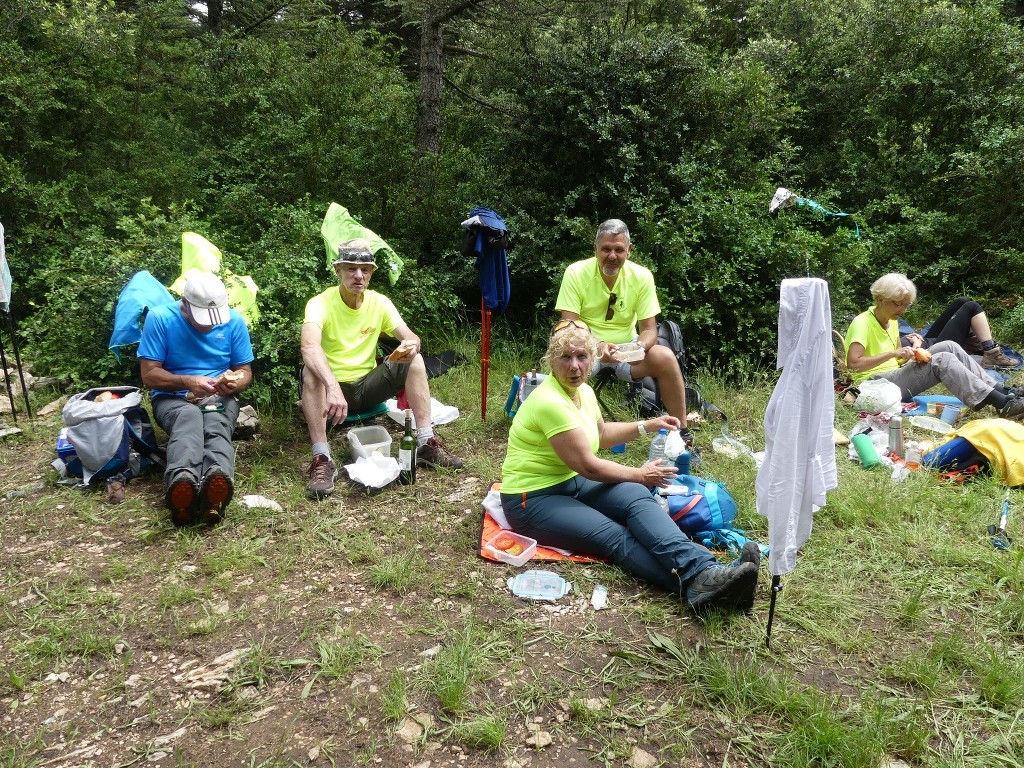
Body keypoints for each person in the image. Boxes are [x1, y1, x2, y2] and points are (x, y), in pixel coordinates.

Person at [499, 319, 759, 612]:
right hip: (532, 499)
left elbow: (600, 434)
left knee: (635, 498)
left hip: (570, 481)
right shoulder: (549, 402)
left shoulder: (583, 392)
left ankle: (703, 569)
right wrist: (639, 474)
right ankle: (698, 588)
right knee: (614, 535)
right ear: (551, 360)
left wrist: (647, 425)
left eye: (582, 357)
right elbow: (590, 466)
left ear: (592, 360)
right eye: (565, 357)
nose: (574, 366)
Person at [300, 239, 463, 498]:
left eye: (365, 269)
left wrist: (410, 345)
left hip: (368, 386)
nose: (358, 275)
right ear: (338, 271)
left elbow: (411, 337)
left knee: (416, 359)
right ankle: (321, 458)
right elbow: (309, 346)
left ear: (371, 273)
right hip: (332, 394)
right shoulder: (321, 303)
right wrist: (332, 386)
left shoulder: (379, 302)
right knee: (310, 371)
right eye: (351, 268)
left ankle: (424, 443)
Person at [555, 219, 691, 438]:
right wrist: (597, 347)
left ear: (629, 250)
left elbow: (649, 330)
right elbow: (568, 326)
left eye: (619, 250)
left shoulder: (642, 276)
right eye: (606, 249)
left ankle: (682, 432)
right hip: (585, 348)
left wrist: (638, 347)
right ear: (595, 249)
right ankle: (566, 432)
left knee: (665, 356)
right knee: (567, 361)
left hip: (627, 349)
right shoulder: (575, 272)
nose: (612, 256)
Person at [139, 272, 254, 525]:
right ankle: (183, 484)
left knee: (214, 420)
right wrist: (186, 381)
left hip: (218, 397)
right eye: (202, 319)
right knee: (188, 416)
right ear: (185, 304)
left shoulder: (234, 322)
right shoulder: (160, 319)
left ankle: (216, 484)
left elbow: (245, 372)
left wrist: (234, 384)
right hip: (172, 398)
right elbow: (149, 375)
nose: (209, 325)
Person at [844, 273, 1024, 419]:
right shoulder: (862, 323)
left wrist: (912, 351)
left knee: (949, 346)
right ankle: (1002, 404)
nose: (903, 310)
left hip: (893, 375)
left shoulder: (890, 320)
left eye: (906, 305)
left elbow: (898, 356)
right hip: (874, 385)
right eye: (899, 304)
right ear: (881, 298)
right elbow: (854, 364)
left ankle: (1003, 392)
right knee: (943, 360)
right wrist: (893, 353)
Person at [908, 296, 1016, 369]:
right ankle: (992, 354)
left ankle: (971, 343)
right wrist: (916, 345)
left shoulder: (892, 322)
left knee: (962, 301)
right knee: (972, 307)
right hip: (929, 350)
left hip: (926, 340)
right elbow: (905, 363)